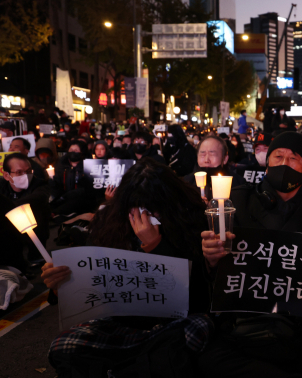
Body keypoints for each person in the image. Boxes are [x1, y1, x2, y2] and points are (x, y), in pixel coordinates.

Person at [43, 158, 212, 377]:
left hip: (172, 325)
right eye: (137, 207)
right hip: (120, 324)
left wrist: (157, 248)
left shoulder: (192, 221)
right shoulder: (108, 221)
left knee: (200, 329)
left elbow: (198, 294)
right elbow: (89, 281)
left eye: (154, 209)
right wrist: (59, 284)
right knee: (63, 345)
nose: (145, 216)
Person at [197, 131, 302, 377]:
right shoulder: (235, 200)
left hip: (298, 330)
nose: (284, 163)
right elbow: (212, 276)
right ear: (267, 161)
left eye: (293, 159)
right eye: (278, 156)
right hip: (240, 328)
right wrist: (210, 258)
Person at [1, 153, 51, 261]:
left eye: (28, 171)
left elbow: (38, 198)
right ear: (6, 175)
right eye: (19, 172)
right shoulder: (2, 186)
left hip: (34, 229)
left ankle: (35, 257)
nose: (25, 175)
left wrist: (7, 208)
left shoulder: (40, 184)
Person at [183, 135, 244, 201]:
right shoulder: (186, 184)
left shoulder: (239, 186)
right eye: (202, 155)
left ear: (225, 159)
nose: (206, 160)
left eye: (212, 154)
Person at [50, 140, 96, 217]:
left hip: (81, 200)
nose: (73, 152)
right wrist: (52, 181)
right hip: (63, 198)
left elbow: (88, 189)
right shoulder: (61, 166)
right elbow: (57, 185)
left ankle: (55, 213)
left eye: (76, 150)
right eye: (71, 150)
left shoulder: (89, 167)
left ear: (82, 153)